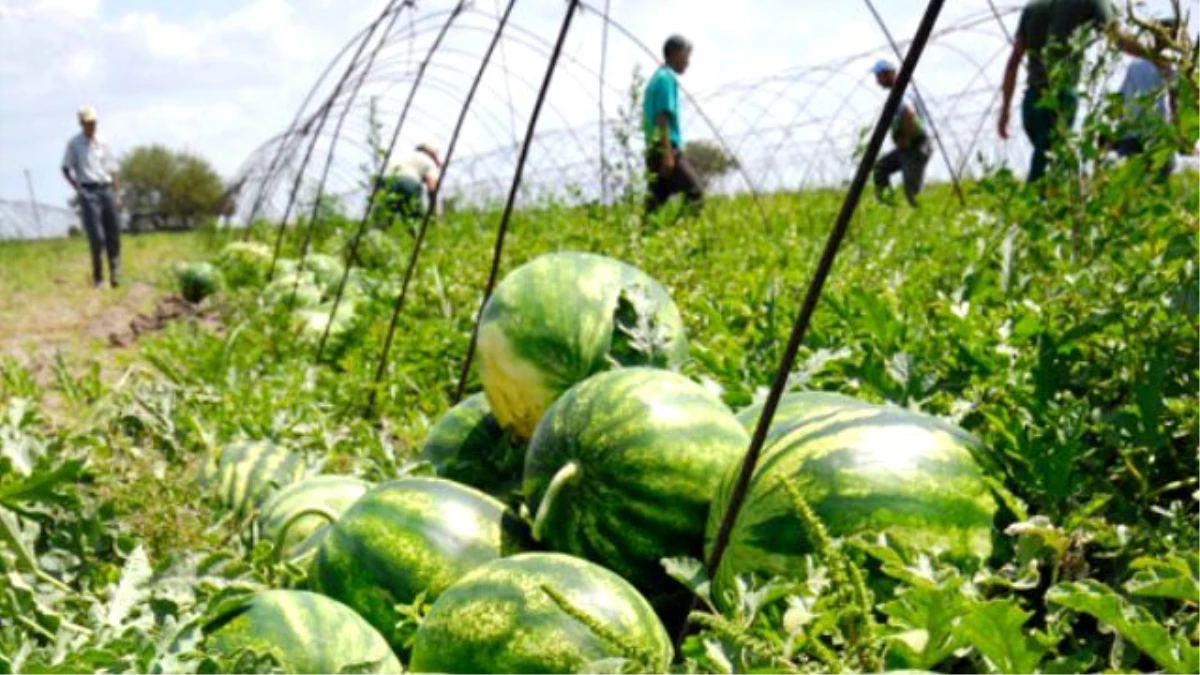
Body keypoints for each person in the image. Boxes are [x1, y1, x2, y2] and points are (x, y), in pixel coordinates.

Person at [999, 0, 1161, 183]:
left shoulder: (1033, 6)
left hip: (1031, 104)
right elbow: (1118, 38)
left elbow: (1013, 63)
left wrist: (1004, 110)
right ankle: (1031, 209)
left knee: (1053, 167)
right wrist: (1154, 54)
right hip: (1060, 99)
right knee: (1046, 174)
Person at [61, 105, 123, 288]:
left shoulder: (103, 142)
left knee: (113, 233)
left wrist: (117, 194)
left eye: (93, 123)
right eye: (88, 123)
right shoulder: (74, 144)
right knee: (97, 236)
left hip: (106, 188)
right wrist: (77, 187)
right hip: (88, 191)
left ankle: (115, 272)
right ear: (81, 124)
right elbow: (65, 168)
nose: (91, 126)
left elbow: (113, 169)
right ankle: (98, 277)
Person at [643, 34, 703, 218]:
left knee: (655, 204)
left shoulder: (657, 77)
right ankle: (679, 237)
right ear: (675, 54)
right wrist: (668, 153)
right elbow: (662, 116)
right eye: (686, 56)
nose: (688, 62)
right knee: (696, 193)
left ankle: (640, 240)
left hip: (654, 149)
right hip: (665, 148)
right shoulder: (666, 79)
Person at [1111, 19, 1179, 183]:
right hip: (1158, 137)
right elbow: (1174, 105)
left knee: (1134, 188)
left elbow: (1120, 99)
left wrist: (1115, 131)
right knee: (1158, 188)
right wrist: (1178, 134)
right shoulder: (1171, 69)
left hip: (1132, 135)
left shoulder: (1135, 65)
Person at [870, 60, 933, 207]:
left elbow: (909, 113)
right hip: (908, 147)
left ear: (888, 74)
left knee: (912, 192)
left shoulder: (901, 93)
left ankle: (920, 217)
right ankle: (888, 206)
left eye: (879, 77)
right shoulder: (899, 92)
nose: (877, 81)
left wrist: (905, 137)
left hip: (916, 146)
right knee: (881, 168)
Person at [380, 141, 441, 229]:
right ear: (432, 155)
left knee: (382, 220)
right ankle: (416, 239)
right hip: (409, 182)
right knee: (412, 222)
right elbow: (432, 188)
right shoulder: (429, 162)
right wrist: (434, 215)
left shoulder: (402, 155)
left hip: (386, 181)